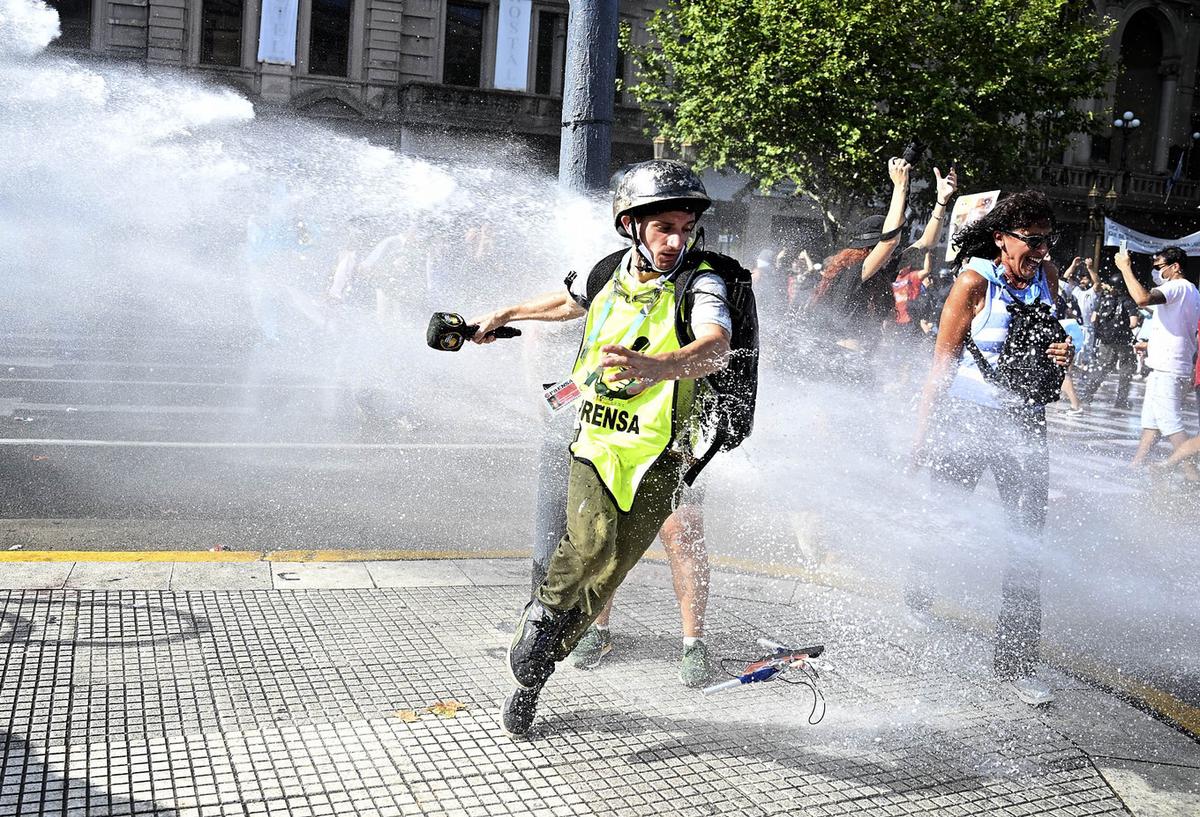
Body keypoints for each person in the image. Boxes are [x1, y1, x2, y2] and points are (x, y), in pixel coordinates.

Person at [470, 160, 740, 738]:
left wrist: (657, 365)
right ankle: (540, 623)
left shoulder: (703, 283)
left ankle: (534, 675)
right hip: (596, 441)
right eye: (663, 227)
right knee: (590, 542)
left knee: (611, 572)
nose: (675, 241)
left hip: (662, 454)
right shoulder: (606, 272)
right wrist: (502, 313)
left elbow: (716, 346)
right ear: (630, 224)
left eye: (686, 229)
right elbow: (566, 303)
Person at [911, 190, 1074, 706]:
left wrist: (1063, 353)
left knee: (1028, 541)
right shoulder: (974, 281)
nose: (1044, 249)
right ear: (1002, 238)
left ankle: (1017, 662)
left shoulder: (1046, 279)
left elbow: (1056, 340)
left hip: (1026, 421)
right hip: (968, 420)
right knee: (944, 517)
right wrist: (922, 433)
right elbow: (943, 361)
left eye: (1049, 239)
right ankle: (918, 597)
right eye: (1033, 239)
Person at [1118, 246, 1200, 479]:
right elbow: (1179, 327)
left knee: (1170, 422)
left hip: (1169, 366)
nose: (1155, 272)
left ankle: (1192, 475)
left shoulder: (1176, 286)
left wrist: (1125, 268)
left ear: (1175, 267)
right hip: (1166, 362)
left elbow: (1142, 299)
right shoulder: (1191, 290)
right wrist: (1151, 345)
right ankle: (1136, 465)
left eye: (1159, 267)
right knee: (1152, 421)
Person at [1079, 268, 1138, 409]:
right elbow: (1133, 323)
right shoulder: (1128, 301)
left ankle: (1087, 396)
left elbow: (1093, 319)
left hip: (1106, 341)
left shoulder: (1103, 300)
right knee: (1126, 370)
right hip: (1124, 341)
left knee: (1102, 368)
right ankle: (1121, 400)